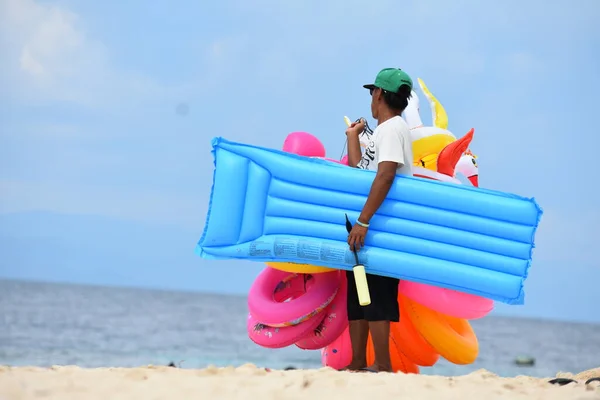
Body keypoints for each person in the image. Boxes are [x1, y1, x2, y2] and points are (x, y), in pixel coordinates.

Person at [344, 68, 414, 373]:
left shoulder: (393, 129)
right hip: (367, 227)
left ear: (379, 94)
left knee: (377, 293)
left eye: (372, 93)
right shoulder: (383, 130)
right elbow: (363, 172)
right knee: (359, 291)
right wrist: (352, 138)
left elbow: (386, 175)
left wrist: (364, 221)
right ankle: (358, 361)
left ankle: (382, 364)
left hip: (380, 227)